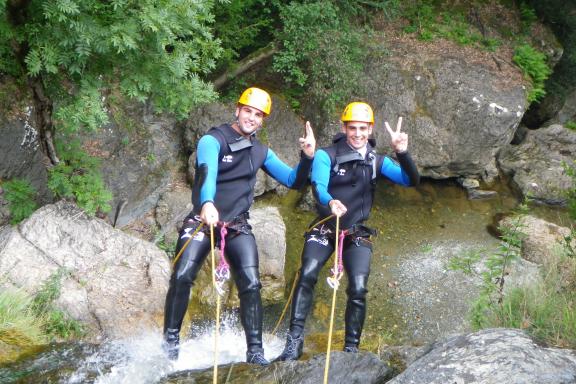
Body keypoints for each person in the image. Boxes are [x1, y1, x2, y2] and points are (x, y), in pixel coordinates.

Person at [163, 87, 316, 365]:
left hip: (236, 226)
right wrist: (208, 203)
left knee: (251, 283)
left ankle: (255, 352)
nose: (252, 118)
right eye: (248, 111)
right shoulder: (213, 139)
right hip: (202, 220)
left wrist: (306, 157)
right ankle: (171, 344)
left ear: (262, 120)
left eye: (258, 115)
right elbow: (206, 171)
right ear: (238, 110)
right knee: (183, 274)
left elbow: (293, 180)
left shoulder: (260, 151)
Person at [275, 101, 419, 361]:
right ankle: (293, 342)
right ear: (344, 127)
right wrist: (330, 201)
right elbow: (318, 185)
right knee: (307, 273)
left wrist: (403, 152)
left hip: (355, 233)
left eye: (363, 128)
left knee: (359, 287)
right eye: (352, 128)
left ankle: (351, 349)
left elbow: (411, 180)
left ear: (371, 129)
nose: (357, 134)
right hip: (326, 227)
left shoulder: (377, 161)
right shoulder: (326, 155)